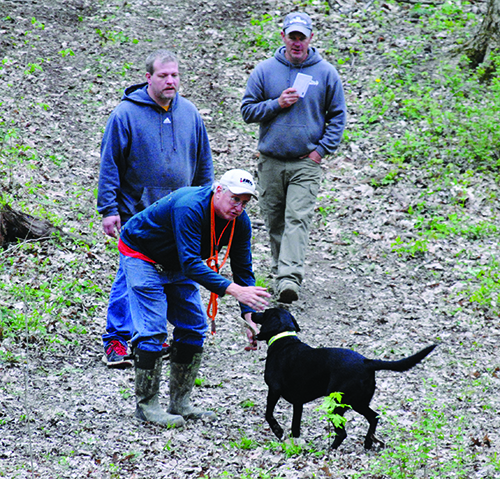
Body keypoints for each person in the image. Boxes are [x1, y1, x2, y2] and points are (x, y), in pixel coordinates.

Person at [118, 169, 271, 427]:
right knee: (153, 329)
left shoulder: (240, 223)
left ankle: (180, 403)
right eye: (235, 199)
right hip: (142, 255)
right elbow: (191, 264)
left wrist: (250, 315)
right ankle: (146, 407)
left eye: (245, 203)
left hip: (177, 262)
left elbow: (243, 270)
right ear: (218, 190)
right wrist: (233, 290)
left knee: (193, 326)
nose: (239, 207)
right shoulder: (189, 206)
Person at [97, 50, 214, 368]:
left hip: (180, 216)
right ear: (148, 77)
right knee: (130, 274)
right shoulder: (125, 114)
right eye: (163, 75)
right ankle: (117, 340)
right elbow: (110, 164)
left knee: (176, 274)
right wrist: (109, 209)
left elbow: (204, 164)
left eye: (175, 75)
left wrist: (206, 205)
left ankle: (155, 336)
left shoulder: (190, 113)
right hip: (137, 214)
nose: (171, 81)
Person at [241, 12, 347, 303]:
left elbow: (338, 116)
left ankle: (289, 278)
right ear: (283, 37)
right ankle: (280, 272)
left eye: (302, 37)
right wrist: (277, 103)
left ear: (311, 38)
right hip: (271, 160)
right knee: (275, 221)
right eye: (292, 36)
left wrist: (320, 151)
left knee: (297, 219)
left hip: (305, 162)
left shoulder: (325, 73)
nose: (297, 42)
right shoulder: (265, 71)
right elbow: (247, 111)